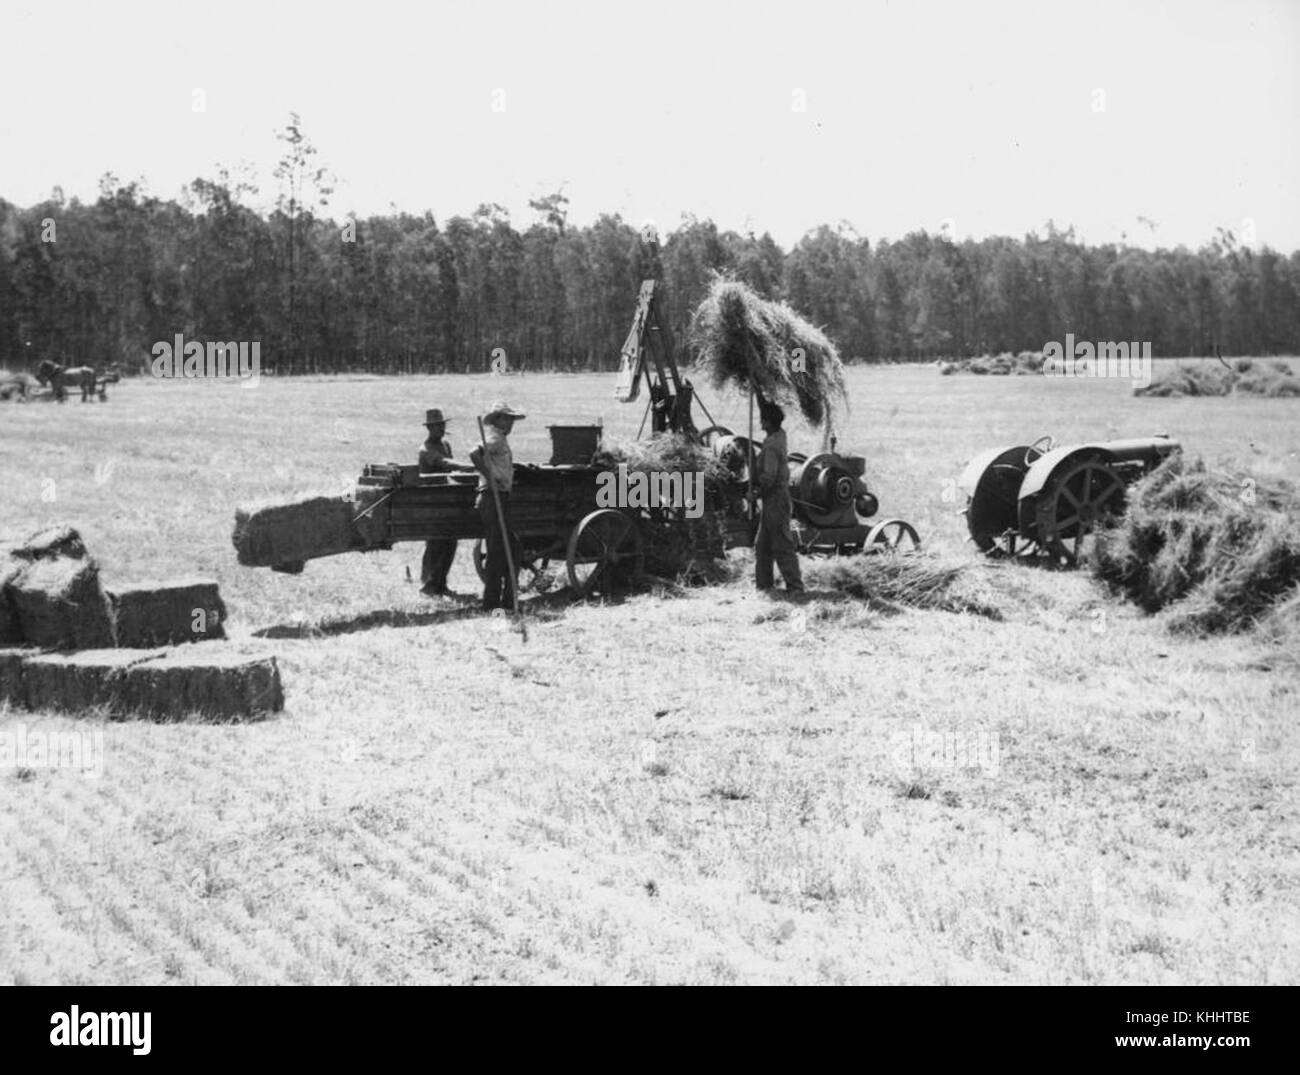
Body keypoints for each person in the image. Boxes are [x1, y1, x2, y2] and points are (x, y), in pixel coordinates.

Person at [469, 399, 526, 611]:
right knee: (497, 551)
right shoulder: (495, 437)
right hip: (493, 498)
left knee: (510, 548)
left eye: (512, 420)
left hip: (497, 497)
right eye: (508, 419)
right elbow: (474, 453)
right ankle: (493, 602)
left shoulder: (499, 438)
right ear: (498, 420)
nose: (511, 423)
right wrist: (490, 478)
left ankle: (506, 600)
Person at [416, 408, 474, 597]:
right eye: (436, 426)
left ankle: (441, 584)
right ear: (429, 428)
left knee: (450, 542)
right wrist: (473, 466)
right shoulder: (426, 449)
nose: (440, 428)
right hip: (431, 501)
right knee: (436, 543)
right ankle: (429, 585)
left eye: (442, 425)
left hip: (445, 499)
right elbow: (446, 464)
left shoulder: (445, 444)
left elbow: (450, 464)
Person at [754, 400, 804, 593]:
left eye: (763, 420)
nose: (760, 424)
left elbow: (769, 478)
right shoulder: (778, 436)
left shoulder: (772, 447)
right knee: (762, 546)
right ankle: (764, 586)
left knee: (782, 544)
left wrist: (756, 493)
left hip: (776, 499)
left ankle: (796, 587)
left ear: (768, 423)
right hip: (772, 500)